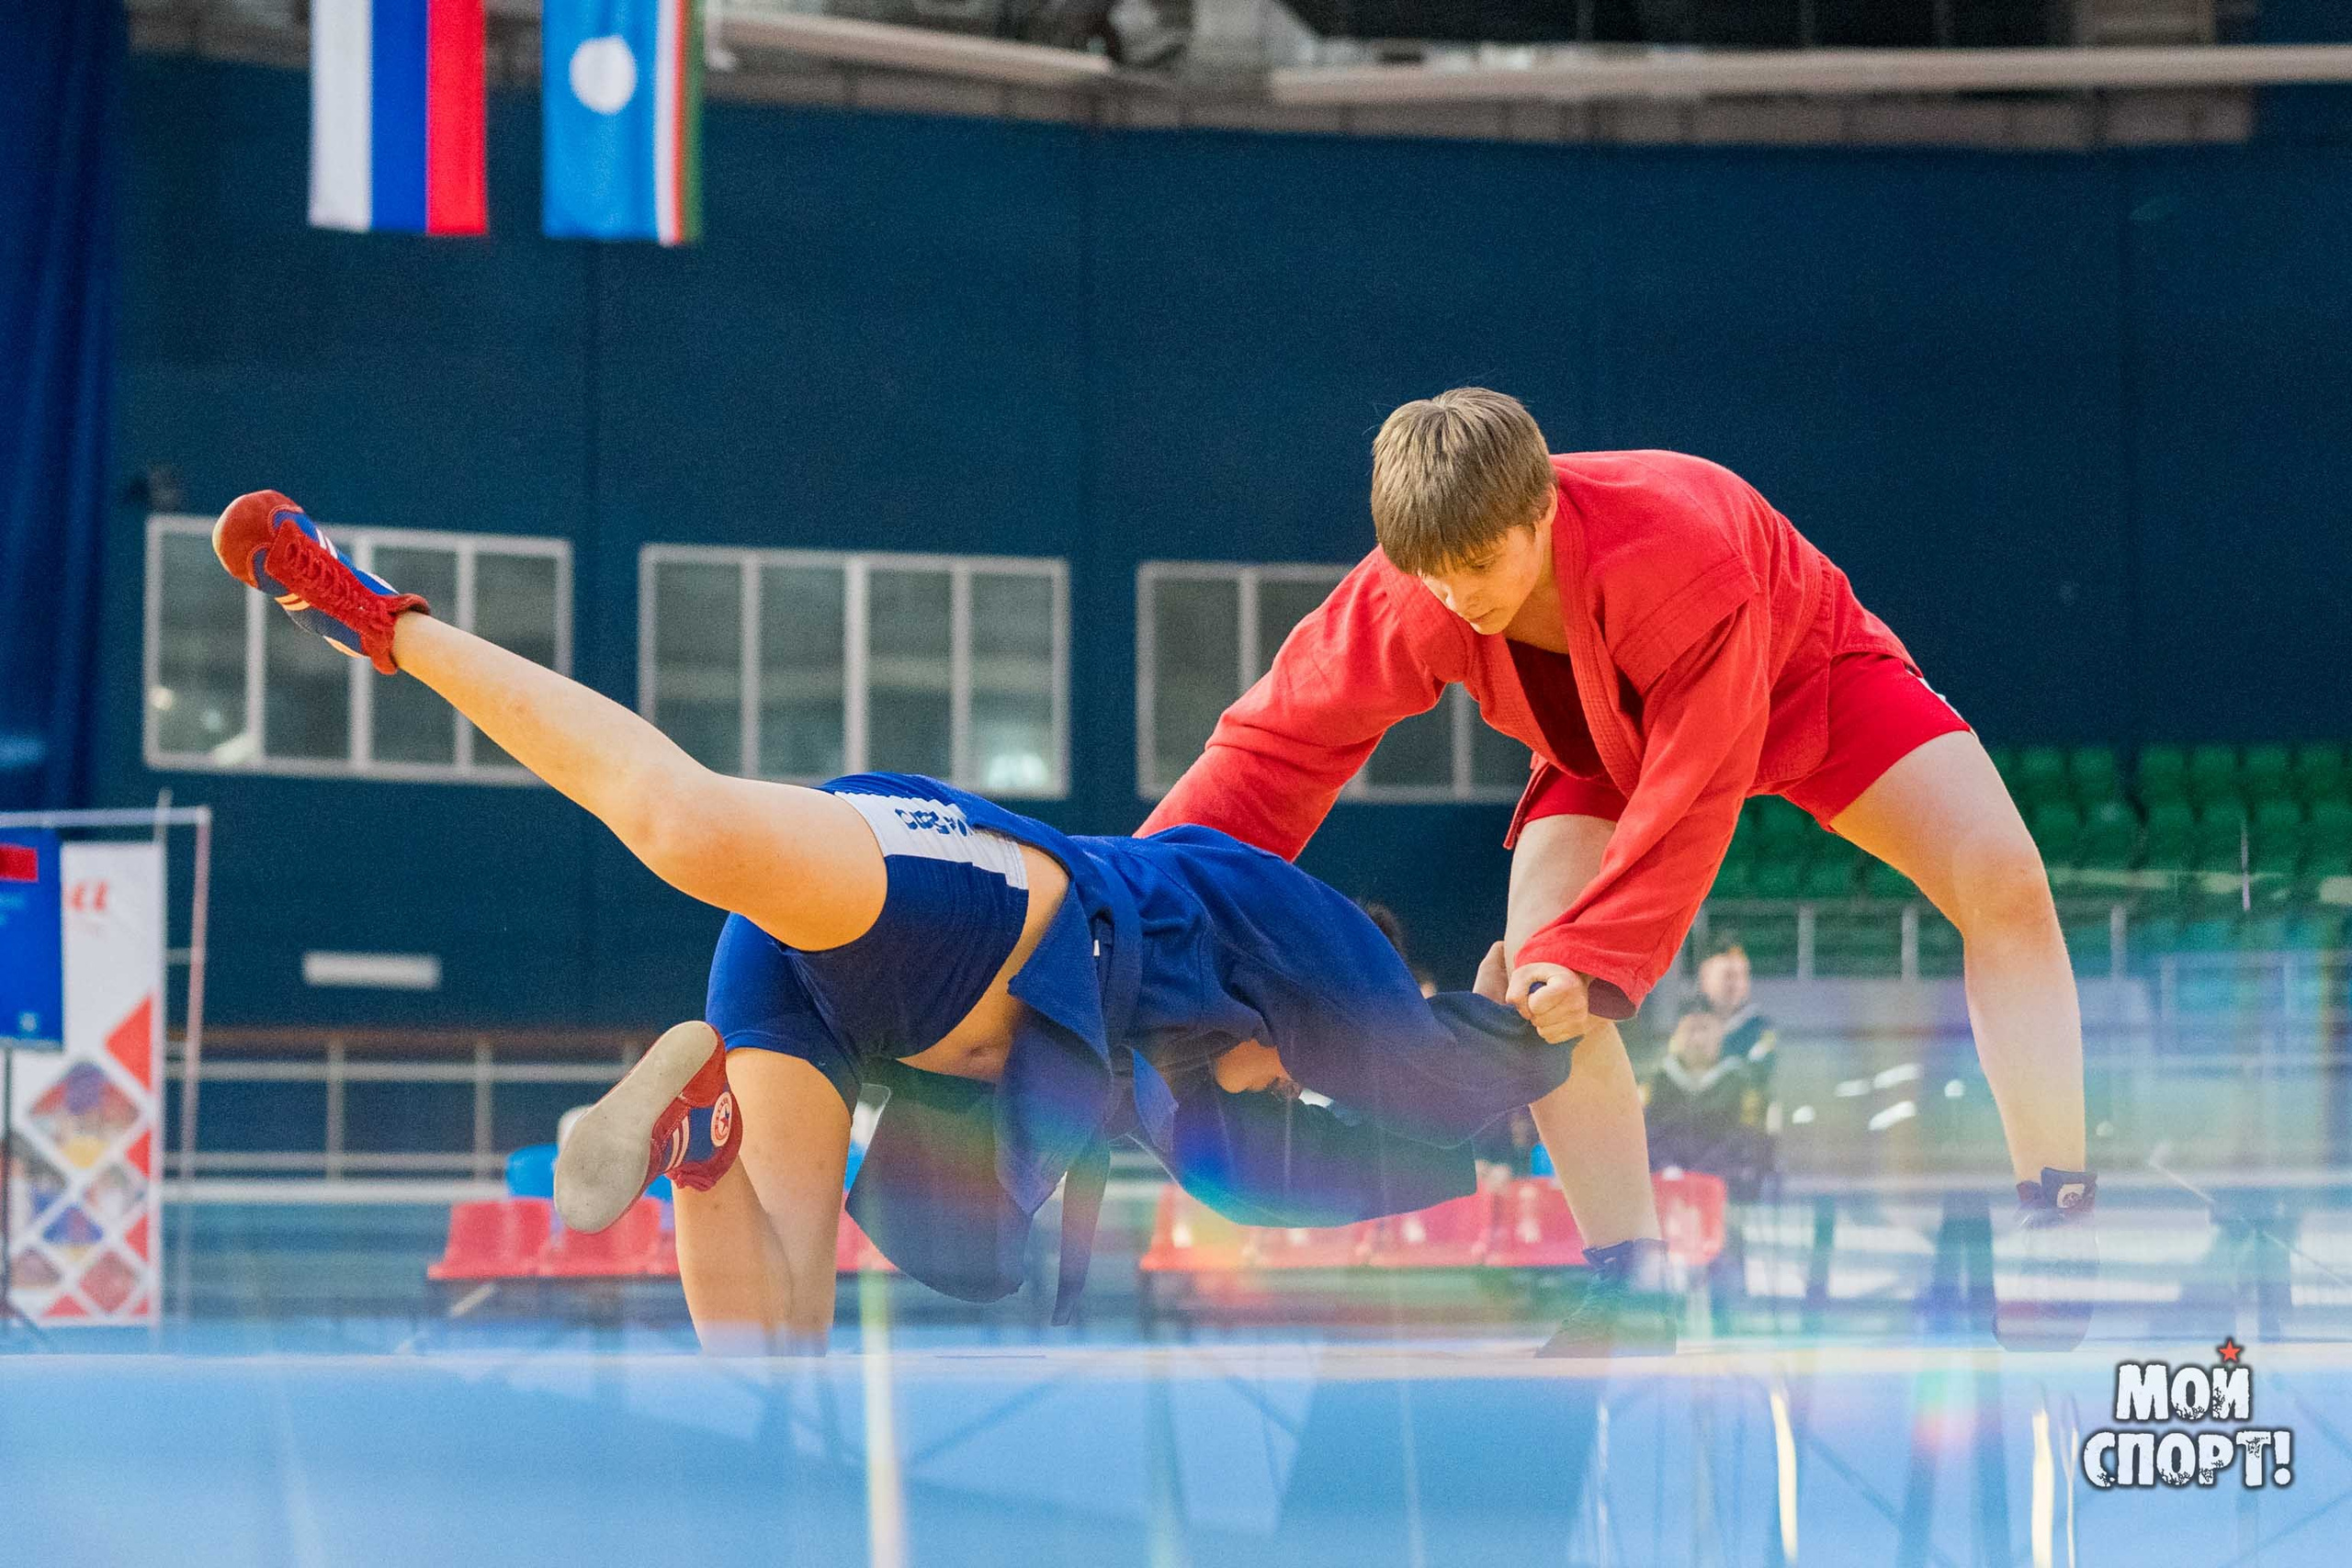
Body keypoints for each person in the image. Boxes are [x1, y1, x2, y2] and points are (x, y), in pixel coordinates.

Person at [211, 491, 1571, 1354]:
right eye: (1300, 1075)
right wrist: (1523, 1036)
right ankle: (372, 613)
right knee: (682, 822)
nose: (1294, 1095)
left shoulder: (1180, 1099)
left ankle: (695, 1133)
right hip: (954, 902)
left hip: (840, 1013)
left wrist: (1495, 1169)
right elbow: (1406, 1066)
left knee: (780, 1327)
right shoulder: (1272, 925)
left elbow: (1303, 1168)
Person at [1141, 388, 2096, 1351]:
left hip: (1807, 672)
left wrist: (1599, 961)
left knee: (2005, 883)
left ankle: (2058, 1214)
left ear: (1540, 509)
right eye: (1435, 577)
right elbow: (1275, 747)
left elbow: (1697, 784)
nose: (1461, 596)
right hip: (1600, 742)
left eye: (1478, 566)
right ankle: (1626, 1284)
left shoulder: (1681, 549)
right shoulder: (1419, 580)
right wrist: (1138, 915)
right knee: (1535, 977)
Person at [1641, 1001, 1771, 1198]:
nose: (1698, 1039)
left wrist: (1705, 1175)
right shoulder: (1655, 1084)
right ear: (1676, 1035)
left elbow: (1747, 1138)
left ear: (1720, 1034)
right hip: (1664, 1189)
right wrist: (1668, 1169)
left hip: (1725, 1190)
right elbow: (1647, 1136)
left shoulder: (1741, 1085)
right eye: (1690, 1030)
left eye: (1705, 1029)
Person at [1695, 935, 1775, 1072]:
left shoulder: (1760, 1029)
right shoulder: (1688, 1024)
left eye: (1742, 975)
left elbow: (1757, 1075)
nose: (1736, 985)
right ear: (1705, 977)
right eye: (1728, 976)